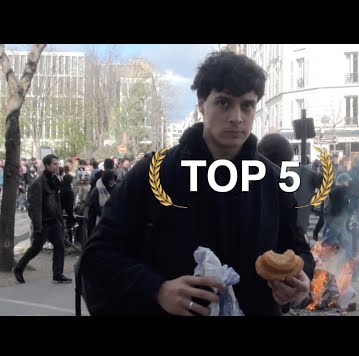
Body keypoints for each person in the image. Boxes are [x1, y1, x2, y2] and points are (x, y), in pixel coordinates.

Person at [80, 51, 314, 316]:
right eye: (224, 103)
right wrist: (158, 289)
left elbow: (298, 250)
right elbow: (97, 255)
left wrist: (300, 281)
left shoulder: (273, 181)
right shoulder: (154, 173)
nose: (237, 117)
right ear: (202, 103)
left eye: (247, 105)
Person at [13, 154, 72, 284]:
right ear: (47, 165)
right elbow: (34, 207)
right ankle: (19, 268)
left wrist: (60, 220)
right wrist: (37, 225)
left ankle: (58, 274)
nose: (57, 166)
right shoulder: (38, 183)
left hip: (54, 220)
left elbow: (56, 202)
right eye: (54, 164)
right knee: (36, 248)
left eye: (57, 163)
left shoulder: (54, 179)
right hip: (43, 222)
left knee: (60, 246)